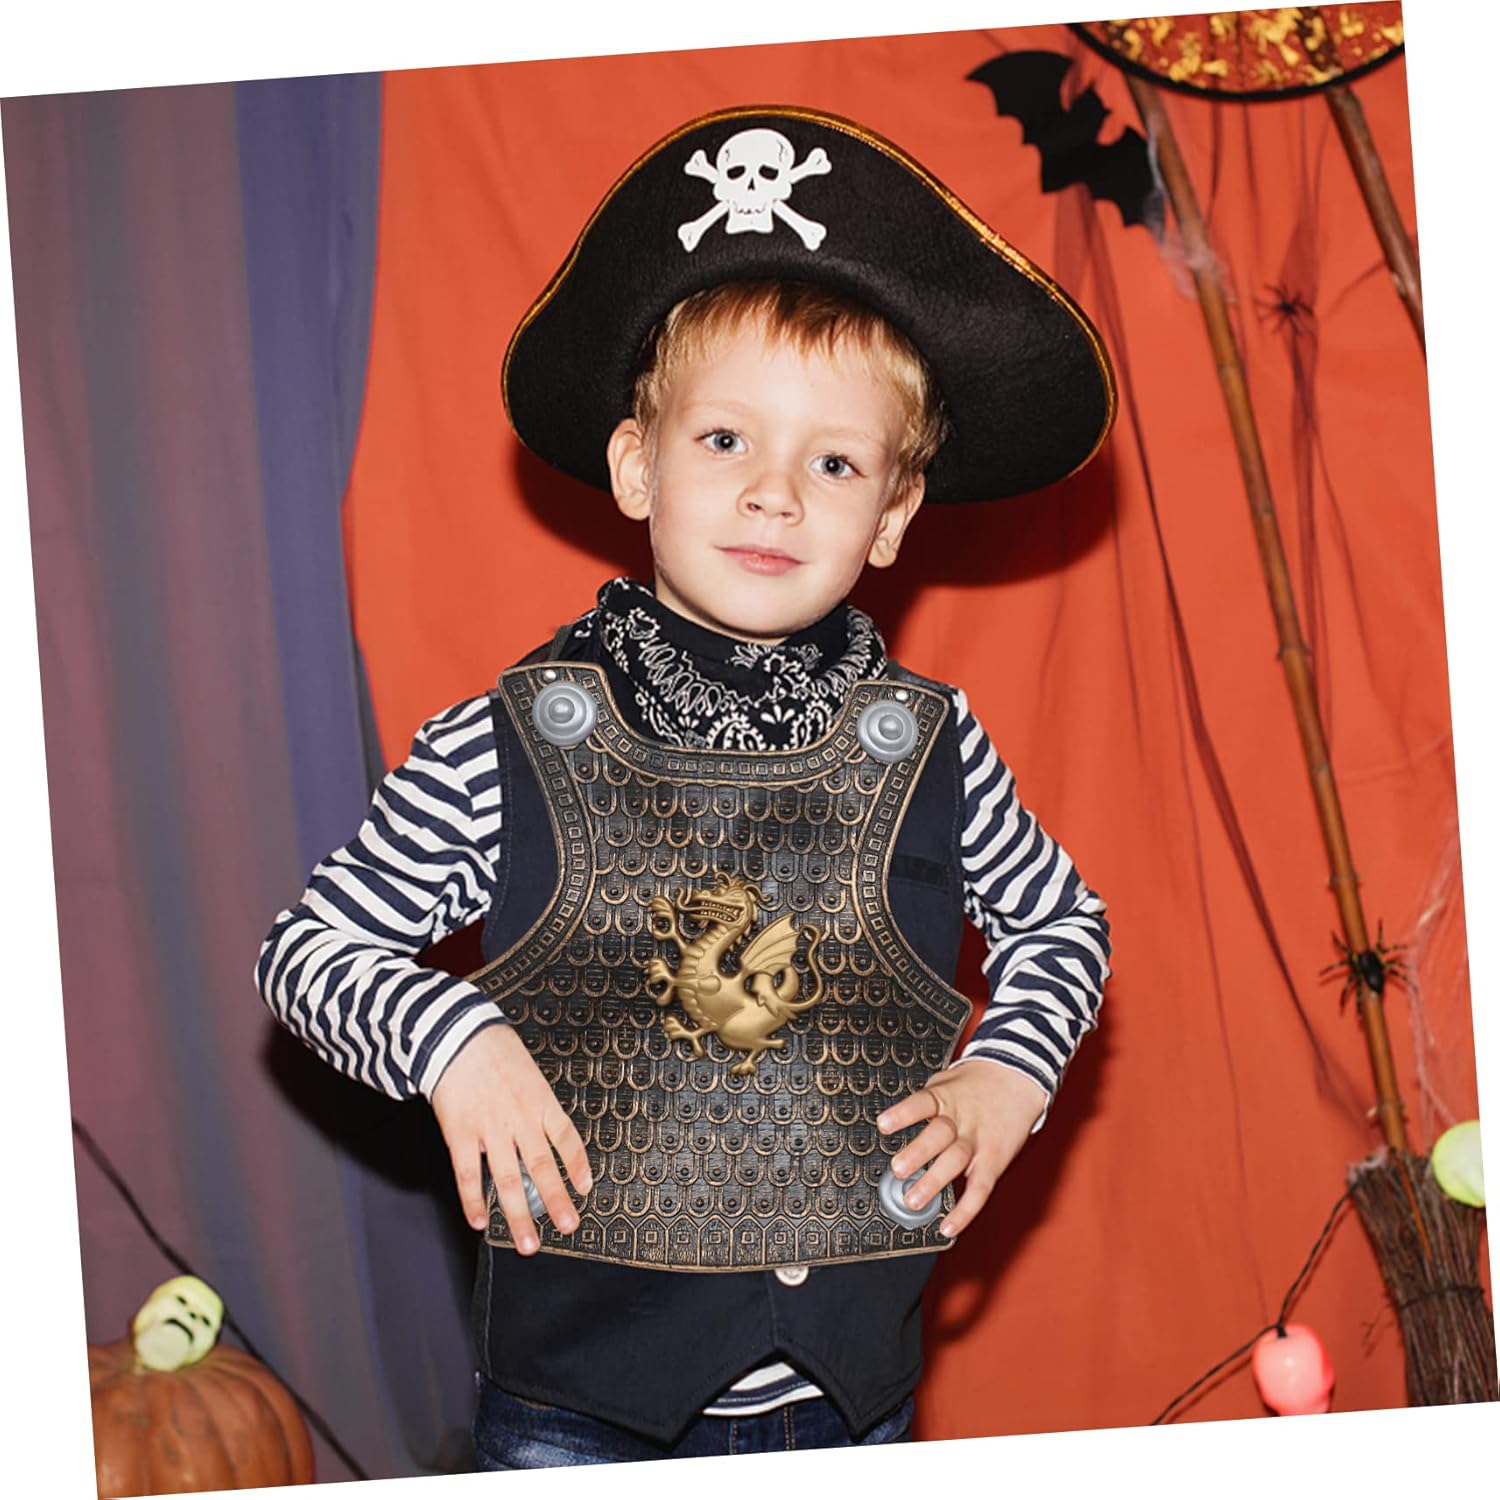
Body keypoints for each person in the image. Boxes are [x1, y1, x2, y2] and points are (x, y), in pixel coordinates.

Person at [257, 105, 1116, 1467]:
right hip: (576, 1416)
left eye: (834, 461)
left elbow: (1065, 926)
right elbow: (308, 953)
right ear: (636, 464)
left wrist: (1009, 1074)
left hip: (852, 1405)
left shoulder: (934, 748)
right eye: (726, 440)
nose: (776, 493)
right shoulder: (502, 746)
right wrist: (450, 1037)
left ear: (892, 516)